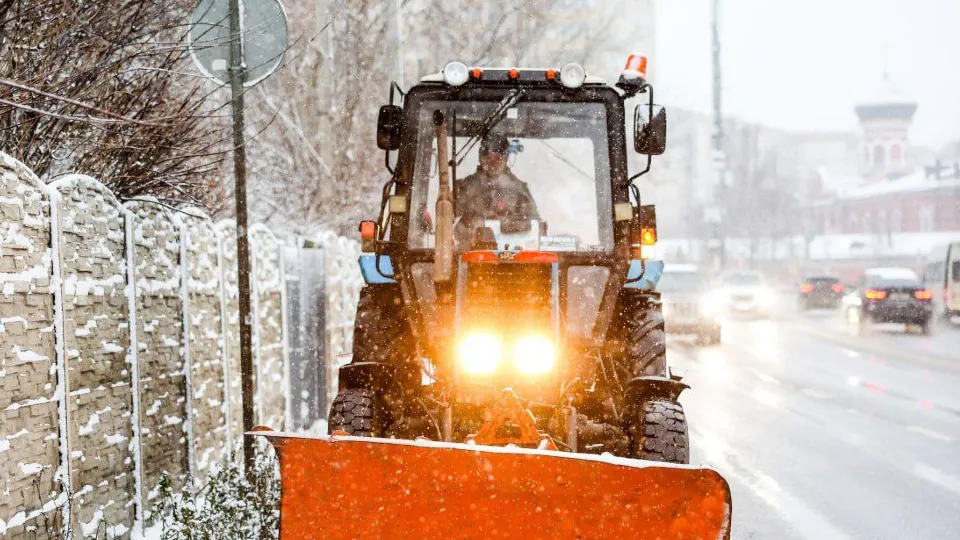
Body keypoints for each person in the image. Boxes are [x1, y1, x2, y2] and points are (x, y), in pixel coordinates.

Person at [454, 135, 540, 246]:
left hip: (511, 252)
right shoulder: (466, 187)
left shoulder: (519, 190)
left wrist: (502, 223)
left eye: (497, 159)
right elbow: (448, 222)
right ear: (481, 159)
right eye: (488, 159)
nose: (492, 164)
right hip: (470, 250)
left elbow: (535, 225)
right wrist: (473, 223)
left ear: (505, 159)